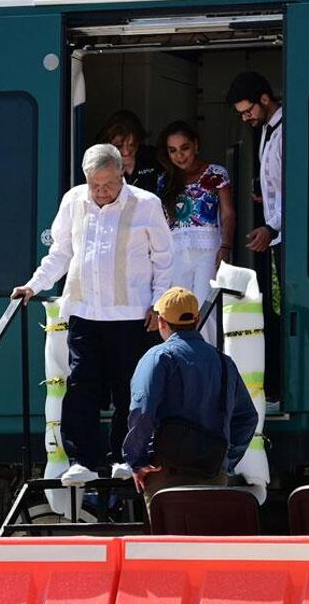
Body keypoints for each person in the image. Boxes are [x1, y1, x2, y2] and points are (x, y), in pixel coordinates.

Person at [14, 144, 174, 485]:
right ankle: (82, 460)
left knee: (128, 388)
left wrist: (158, 303)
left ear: (122, 174)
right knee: (81, 384)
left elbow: (164, 258)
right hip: (85, 310)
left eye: (108, 184)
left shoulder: (146, 204)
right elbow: (60, 253)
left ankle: (123, 457)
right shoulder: (73, 201)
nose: (101, 192)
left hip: (132, 313)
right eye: (95, 185)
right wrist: (33, 285)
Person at [121, 287, 258, 514]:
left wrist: (137, 460)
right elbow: (247, 417)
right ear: (197, 318)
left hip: (165, 474)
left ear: (162, 322)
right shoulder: (224, 363)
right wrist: (225, 460)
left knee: (169, 546)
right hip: (213, 475)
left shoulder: (158, 357)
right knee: (206, 547)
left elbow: (142, 411)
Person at [227, 71, 285, 403]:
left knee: (278, 307)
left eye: (248, 110)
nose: (246, 117)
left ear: (265, 99)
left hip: (281, 235)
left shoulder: (285, 130)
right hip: (275, 231)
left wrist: (272, 226)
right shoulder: (266, 131)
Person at [156, 120, 235, 324]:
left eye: (185, 148)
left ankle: (205, 355)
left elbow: (228, 214)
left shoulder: (216, 173)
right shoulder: (165, 180)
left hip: (208, 251)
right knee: (176, 308)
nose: (179, 155)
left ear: (196, 145)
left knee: (204, 310)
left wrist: (226, 246)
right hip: (176, 252)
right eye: (172, 150)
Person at [99, 110, 164, 194]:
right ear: (109, 143)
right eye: (119, 146)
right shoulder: (100, 163)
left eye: (132, 145)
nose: (126, 152)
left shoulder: (154, 157)